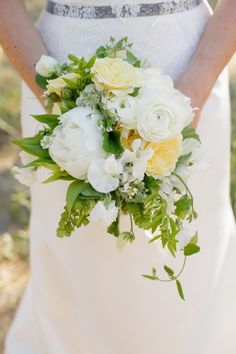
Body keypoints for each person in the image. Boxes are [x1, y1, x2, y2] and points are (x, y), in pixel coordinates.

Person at [0, 0, 236, 353]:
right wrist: (56, 99)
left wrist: (197, 83)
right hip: (58, 73)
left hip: (188, 73)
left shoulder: (194, 86)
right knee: (78, 273)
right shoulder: (56, 95)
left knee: (186, 271)